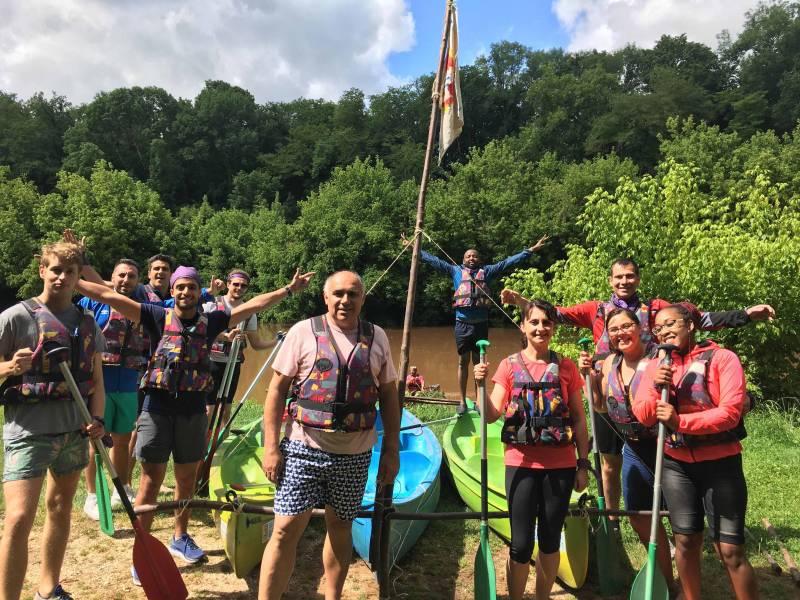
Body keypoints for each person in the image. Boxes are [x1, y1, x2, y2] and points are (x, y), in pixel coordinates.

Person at [76, 265, 314, 585]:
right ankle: (142, 551)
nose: (185, 292)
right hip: (156, 409)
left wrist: (288, 290)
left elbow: (255, 304)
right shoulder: (155, 315)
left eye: (191, 287)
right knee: (150, 481)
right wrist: (71, 280)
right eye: (180, 287)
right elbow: (108, 296)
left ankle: (180, 536)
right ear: (172, 291)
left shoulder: (212, 320)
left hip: (192, 411)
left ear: (198, 291)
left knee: (186, 479)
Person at [502, 257, 775, 525]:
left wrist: (745, 314)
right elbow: (554, 315)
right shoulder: (596, 309)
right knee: (609, 462)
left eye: (630, 276)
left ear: (638, 279)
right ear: (610, 281)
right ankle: (612, 519)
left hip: (647, 389)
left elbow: (697, 319)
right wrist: (522, 303)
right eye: (619, 277)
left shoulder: (655, 309)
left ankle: (670, 517)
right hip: (609, 391)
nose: (624, 281)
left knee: (658, 458)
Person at [258, 271, 400, 600]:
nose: (345, 300)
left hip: (355, 453)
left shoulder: (377, 337)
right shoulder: (302, 332)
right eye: (338, 293)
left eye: (353, 294)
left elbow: (389, 396)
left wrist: (391, 450)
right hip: (302, 448)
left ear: (362, 299)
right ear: (325, 297)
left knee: (340, 527)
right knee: (284, 530)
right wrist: (271, 447)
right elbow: (276, 391)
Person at [0, 241, 106, 600]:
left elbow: (97, 381)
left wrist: (98, 417)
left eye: (69, 272)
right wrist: (9, 368)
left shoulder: (87, 322)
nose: (62, 277)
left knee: (60, 509)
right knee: (18, 518)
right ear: (42, 270)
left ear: (78, 277)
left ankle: (48, 588)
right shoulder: (15, 317)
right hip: (28, 433)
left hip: (73, 432)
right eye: (56, 270)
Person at [632, 304, 758, 600]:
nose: (664, 331)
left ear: (690, 325)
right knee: (686, 542)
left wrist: (681, 422)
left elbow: (730, 414)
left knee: (730, 550)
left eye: (671, 324)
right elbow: (644, 415)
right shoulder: (654, 365)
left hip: (721, 464)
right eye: (658, 328)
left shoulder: (723, 358)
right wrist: (655, 386)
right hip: (676, 466)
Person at [474, 299, 589, 600]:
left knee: (550, 541)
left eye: (546, 322)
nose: (540, 328)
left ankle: (542, 597)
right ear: (523, 326)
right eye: (534, 322)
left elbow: (579, 419)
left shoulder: (566, 367)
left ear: (553, 327)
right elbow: (491, 415)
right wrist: (479, 386)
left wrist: (583, 464)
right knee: (521, 544)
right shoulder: (508, 366)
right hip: (521, 465)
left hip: (561, 466)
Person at [580, 307, 676, 590]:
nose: (620, 333)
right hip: (633, 448)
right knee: (638, 517)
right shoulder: (610, 363)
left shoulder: (659, 357)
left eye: (626, 327)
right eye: (614, 329)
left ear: (639, 327)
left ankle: (687, 581)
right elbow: (600, 406)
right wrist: (588, 379)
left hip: (666, 446)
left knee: (679, 520)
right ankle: (665, 582)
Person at [419, 235, 548, 414]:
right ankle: (462, 401)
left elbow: (507, 262)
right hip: (462, 325)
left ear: (479, 259)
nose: (471, 258)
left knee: (479, 363)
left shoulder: (486, 272)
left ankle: (479, 400)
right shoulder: (455, 271)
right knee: (463, 361)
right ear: (463, 260)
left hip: (481, 325)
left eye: (475, 256)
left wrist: (530, 250)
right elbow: (435, 261)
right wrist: (416, 250)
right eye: (468, 256)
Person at [78, 258, 145, 520]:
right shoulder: (92, 302)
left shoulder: (143, 303)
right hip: (99, 382)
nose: (126, 280)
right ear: (111, 278)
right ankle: (93, 496)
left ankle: (122, 489)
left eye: (131, 276)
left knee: (122, 438)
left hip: (128, 381)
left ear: (138, 280)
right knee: (96, 440)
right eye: (121, 275)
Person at [202, 269, 277, 425]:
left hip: (233, 364)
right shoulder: (212, 304)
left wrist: (278, 341)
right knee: (209, 410)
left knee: (226, 410)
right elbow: (200, 332)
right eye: (236, 284)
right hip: (210, 362)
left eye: (243, 286)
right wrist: (224, 336)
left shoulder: (249, 311)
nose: (239, 288)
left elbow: (256, 344)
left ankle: (223, 440)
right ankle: (203, 440)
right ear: (228, 284)